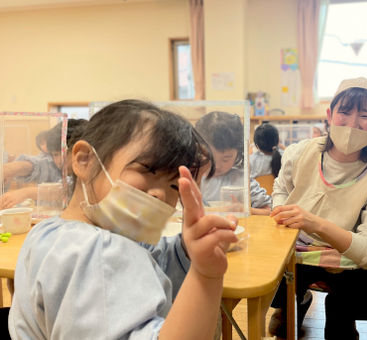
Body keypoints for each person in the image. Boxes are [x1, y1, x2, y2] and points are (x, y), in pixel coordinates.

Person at [8, 100, 238, 339]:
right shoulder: (96, 252)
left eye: (173, 185)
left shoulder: (51, 232)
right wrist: (205, 276)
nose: (161, 194)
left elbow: (148, 261)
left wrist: (189, 250)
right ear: (84, 160)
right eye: (148, 169)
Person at [269, 78, 367, 339]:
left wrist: (315, 223)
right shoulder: (300, 153)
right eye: (344, 112)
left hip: (347, 259)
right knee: (264, 277)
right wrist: (281, 210)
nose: (352, 124)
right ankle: (294, 302)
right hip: (297, 250)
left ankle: (342, 313)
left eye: (364, 116)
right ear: (329, 115)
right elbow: (281, 188)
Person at [195, 111, 272, 215]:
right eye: (210, 157)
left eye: (226, 159)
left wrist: (245, 209)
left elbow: (269, 211)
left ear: (239, 152)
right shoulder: (192, 176)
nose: (217, 166)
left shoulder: (241, 179)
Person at [0, 119, 87, 209]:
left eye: (60, 154)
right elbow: (41, 165)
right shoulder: (55, 164)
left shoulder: (91, 172)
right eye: (54, 155)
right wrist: (11, 169)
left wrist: (26, 193)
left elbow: (68, 190)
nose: (59, 161)